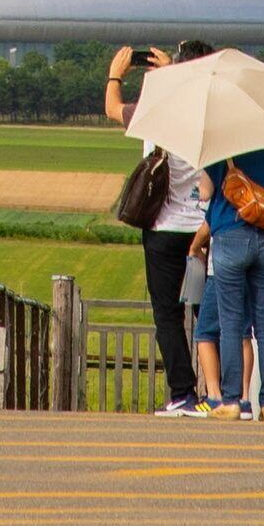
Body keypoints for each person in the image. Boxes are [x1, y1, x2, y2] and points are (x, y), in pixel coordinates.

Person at [103, 39, 216, 415]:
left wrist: (115, 75)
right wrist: (174, 72)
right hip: (202, 231)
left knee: (166, 313)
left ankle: (184, 392)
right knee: (207, 312)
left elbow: (112, 109)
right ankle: (222, 391)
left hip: (163, 228)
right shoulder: (209, 112)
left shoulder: (157, 110)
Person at [198, 72, 264, 422]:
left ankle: (232, 400)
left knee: (231, 321)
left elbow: (208, 190)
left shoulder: (223, 137)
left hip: (230, 232)